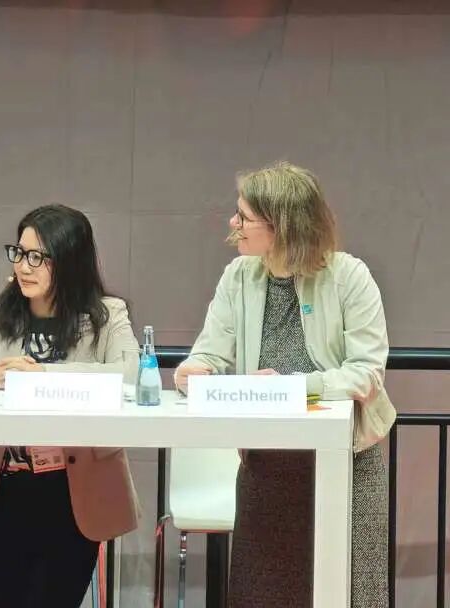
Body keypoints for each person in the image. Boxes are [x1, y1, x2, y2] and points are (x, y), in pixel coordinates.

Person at [175, 161, 394, 607]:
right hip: (267, 471)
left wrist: (293, 387)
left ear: (283, 225)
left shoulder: (350, 277)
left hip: (345, 467)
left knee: (348, 594)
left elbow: (366, 374)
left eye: (244, 217)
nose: (233, 224)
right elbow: (208, 355)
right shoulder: (238, 277)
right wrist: (193, 372)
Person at [0, 204, 140, 608]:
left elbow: (129, 378)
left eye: (37, 257)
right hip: (5, 488)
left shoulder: (108, 316)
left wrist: (43, 376)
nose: (24, 266)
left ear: (70, 262)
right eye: (19, 253)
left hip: (72, 490)